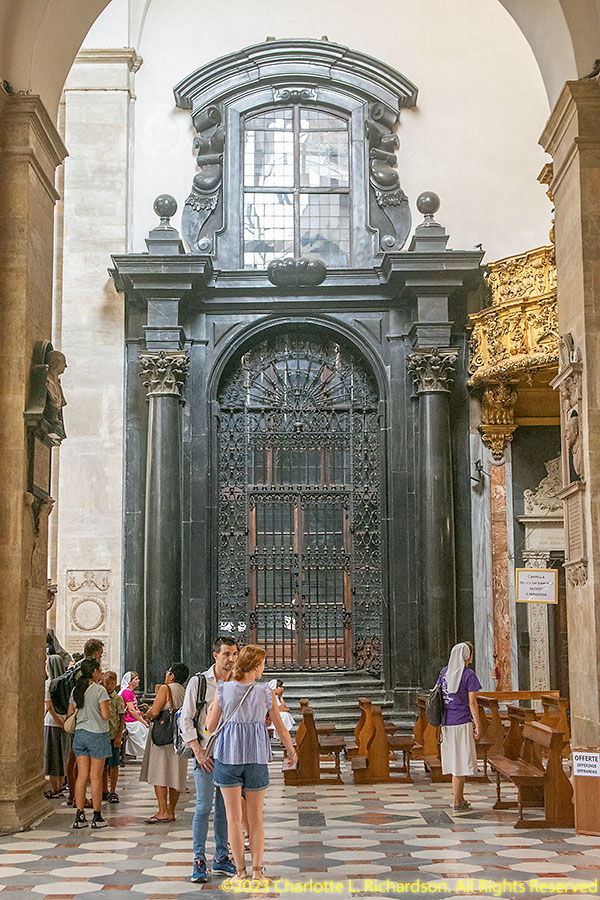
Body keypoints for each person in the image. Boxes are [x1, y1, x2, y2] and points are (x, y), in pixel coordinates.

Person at [206, 644, 297, 887]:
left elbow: (210, 727)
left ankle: (240, 872)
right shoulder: (265, 692)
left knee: (234, 819)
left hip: (228, 757)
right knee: (256, 820)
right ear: (256, 667)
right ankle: (257, 872)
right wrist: (291, 750)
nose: (264, 669)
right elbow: (280, 726)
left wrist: (212, 712)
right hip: (256, 757)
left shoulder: (223, 689)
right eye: (263, 665)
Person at [179, 635, 239, 884]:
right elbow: (186, 718)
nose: (231, 659)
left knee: (225, 809)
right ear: (215, 656)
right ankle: (199, 859)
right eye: (227, 654)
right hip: (206, 753)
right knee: (204, 806)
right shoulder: (200, 682)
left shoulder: (238, 681)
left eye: (234, 654)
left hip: (231, 754)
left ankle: (222, 857)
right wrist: (198, 751)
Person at [140, 662, 190, 823]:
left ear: (172, 675)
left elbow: (155, 711)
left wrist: (147, 713)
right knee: (175, 773)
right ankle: (171, 810)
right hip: (179, 737)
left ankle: (162, 811)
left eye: (168, 672)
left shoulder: (165, 688)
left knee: (159, 772)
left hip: (162, 736)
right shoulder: (185, 691)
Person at [436, 641, 482, 811]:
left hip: (447, 722)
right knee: (461, 762)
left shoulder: (444, 672)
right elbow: (472, 703)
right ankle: (456, 801)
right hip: (462, 722)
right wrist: (478, 724)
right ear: (467, 656)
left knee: (456, 761)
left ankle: (460, 798)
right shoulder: (468, 674)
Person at [68, 657, 111, 829]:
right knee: (96, 776)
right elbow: (105, 715)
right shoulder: (100, 690)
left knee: (81, 775)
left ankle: (79, 816)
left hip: (80, 734)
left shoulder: (76, 690)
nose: (101, 672)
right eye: (99, 669)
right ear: (94, 672)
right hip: (97, 734)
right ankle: (97, 816)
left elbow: (70, 713)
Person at [44, 654, 67, 798]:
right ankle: (61, 784)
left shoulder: (49, 683)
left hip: (52, 723)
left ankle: (55, 787)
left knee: (52, 755)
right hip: (64, 722)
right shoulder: (65, 683)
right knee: (62, 754)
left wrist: (58, 722)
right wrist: (64, 722)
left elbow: (49, 705)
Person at [102, 671, 125, 803]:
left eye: (111, 684)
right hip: (103, 735)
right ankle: (104, 789)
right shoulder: (101, 696)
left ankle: (113, 790)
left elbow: (121, 718)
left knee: (114, 764)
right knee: (103, 765)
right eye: (106, 683)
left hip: (113, 734)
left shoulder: (118, 699)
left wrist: (119, 735)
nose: (108, 686)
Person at [120, 671, 149, 757]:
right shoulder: (127, 692)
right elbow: (131, 710)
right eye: (136, 679)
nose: (138, 680)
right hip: (129, 720)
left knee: (145, 728)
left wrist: (142, 720)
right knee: (144, 731)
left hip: (133, 719)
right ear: (130, 682)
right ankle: (145, 752)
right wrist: (143, 721)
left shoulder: (131, 692)